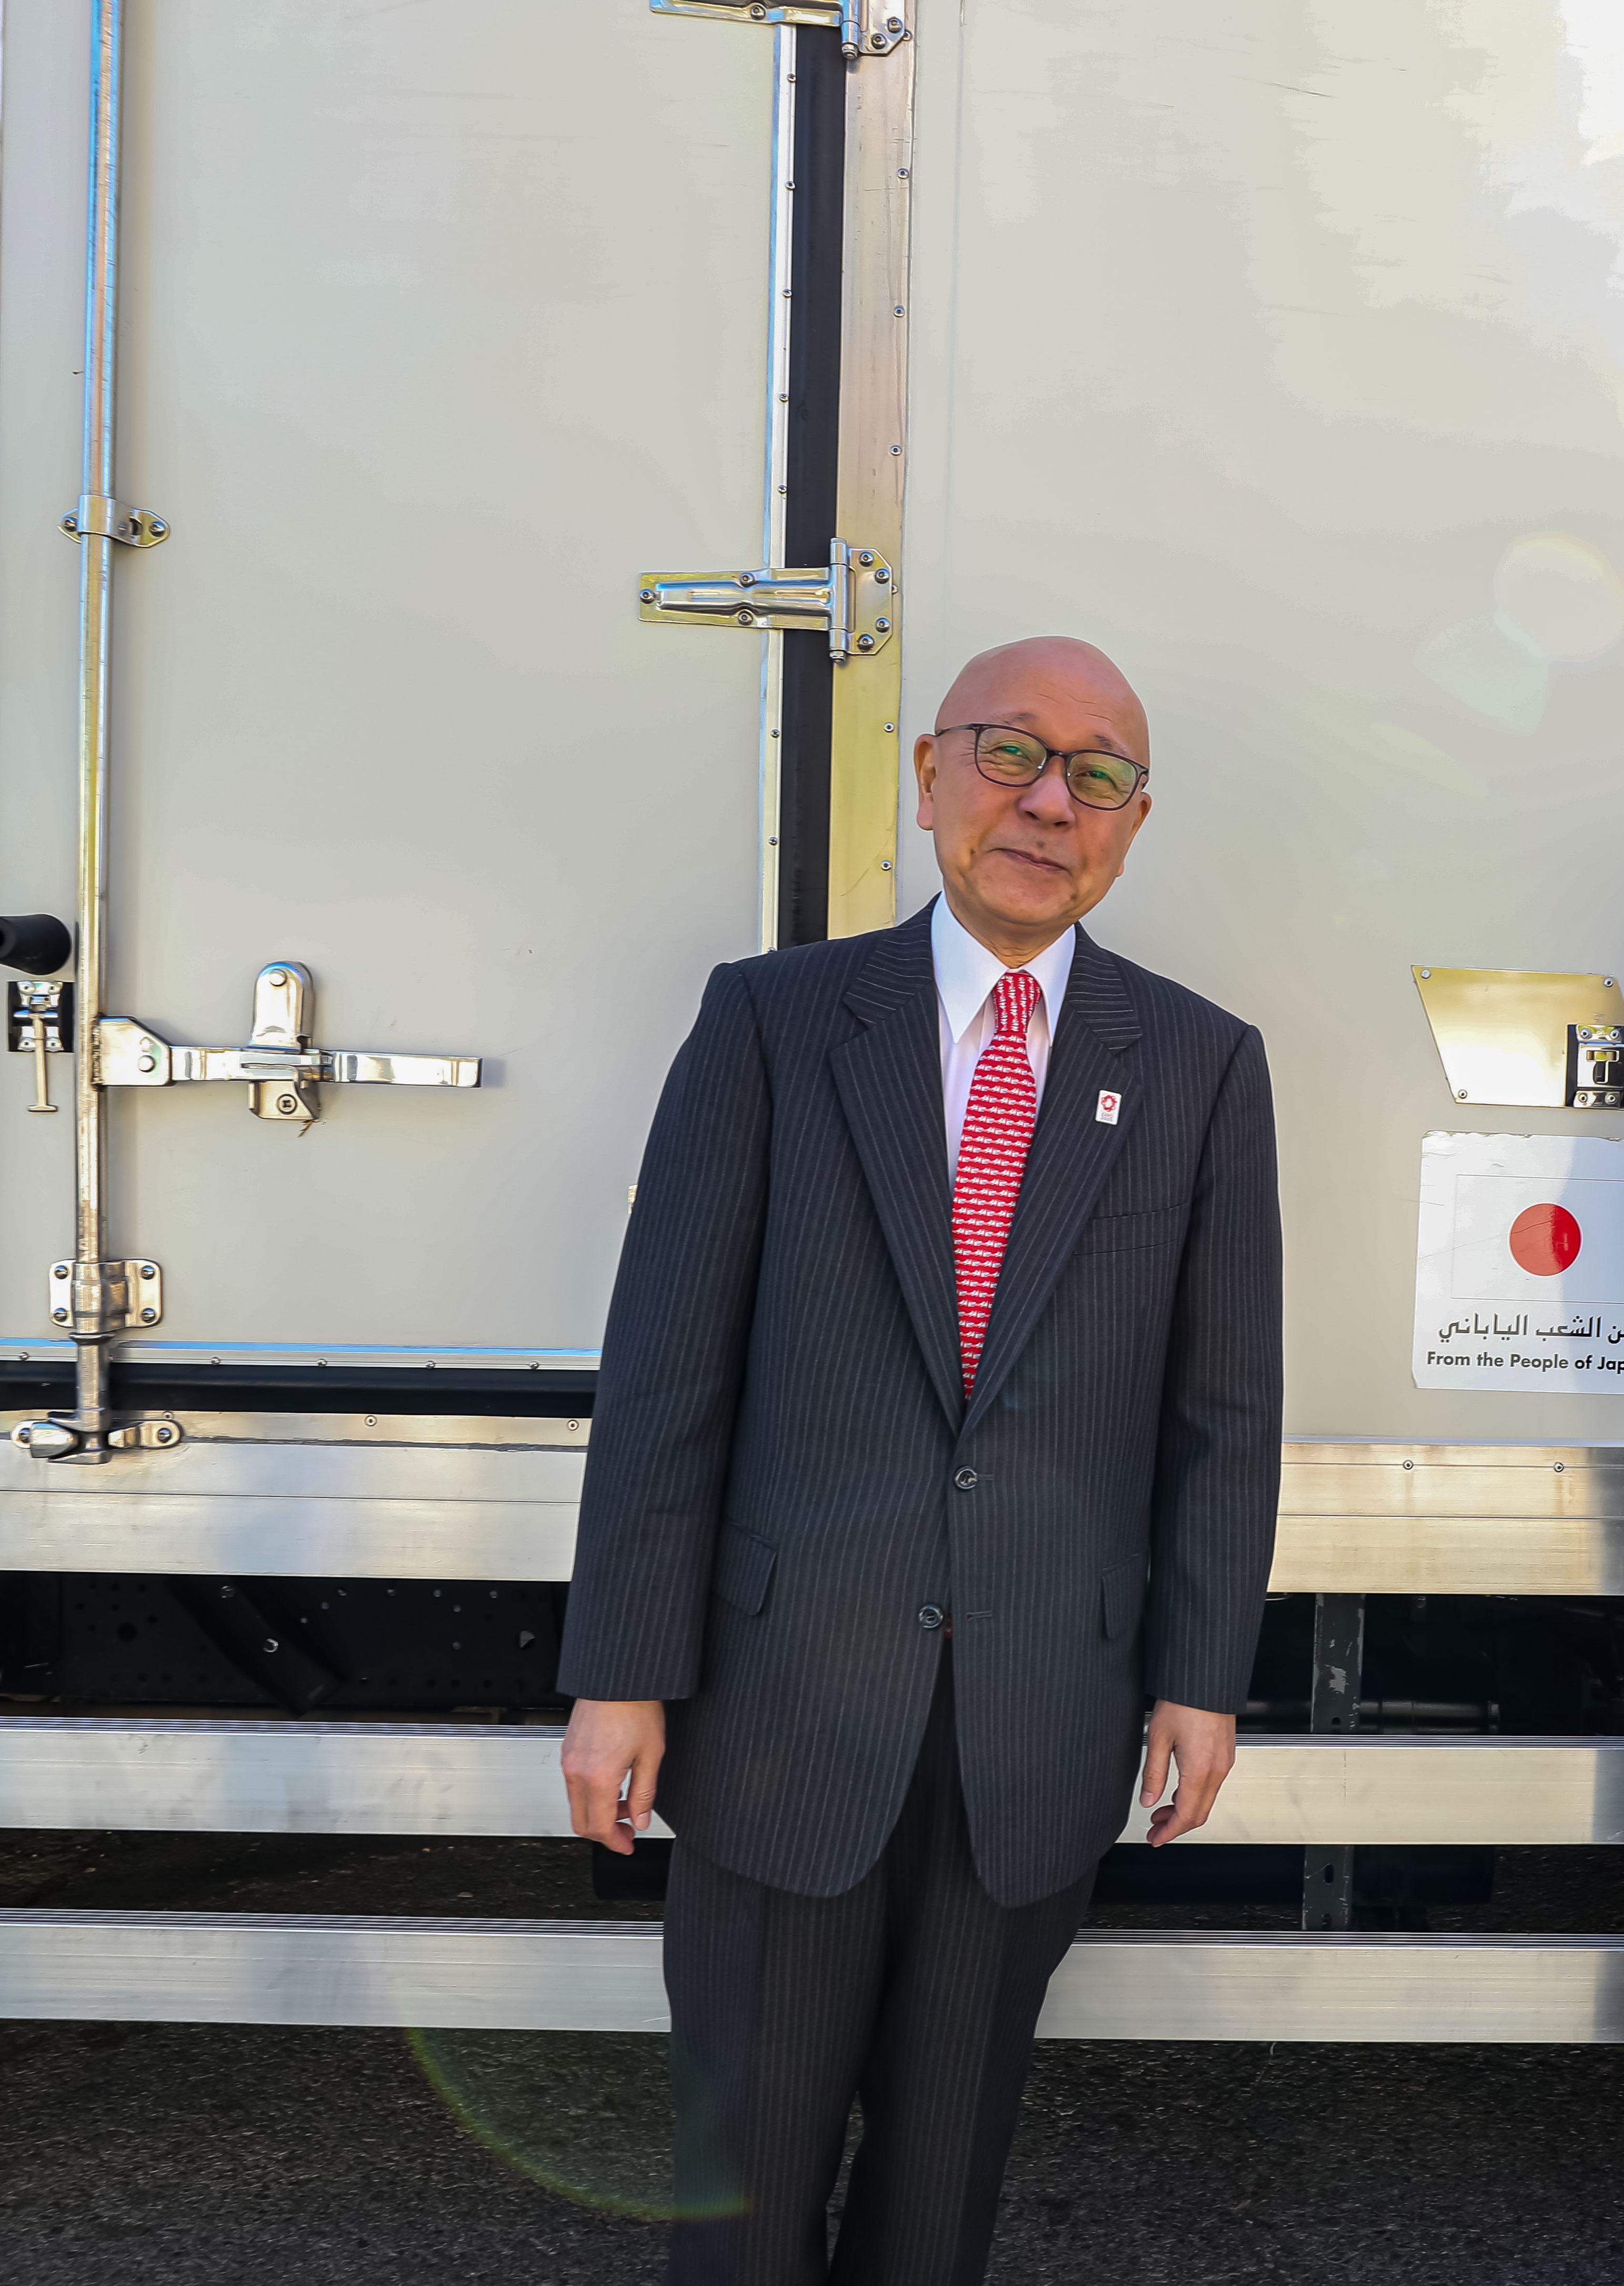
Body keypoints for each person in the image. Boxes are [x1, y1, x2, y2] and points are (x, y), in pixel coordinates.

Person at [556, 636, 1282, 2285]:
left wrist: (1201, 1675)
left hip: (1034, 1728)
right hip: (779, 1716)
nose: (1048, 801)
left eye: (1096, 775)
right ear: (930, 773)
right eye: (1010, 752)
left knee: (936, 2208)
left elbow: (1224, 1407)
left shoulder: (1197, 1064)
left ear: (1134, 820)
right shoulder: (774, 1022)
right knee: (742, 2208)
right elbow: (667, 1371)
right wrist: (620, 1675)